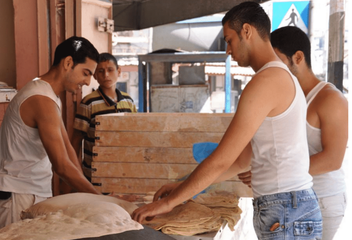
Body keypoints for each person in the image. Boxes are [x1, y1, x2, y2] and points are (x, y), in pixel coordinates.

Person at [131, 2, 322, 239]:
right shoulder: (280, 76)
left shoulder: (266, 82)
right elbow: (241, 160)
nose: (227, 50)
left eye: (229, 40)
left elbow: (222, 159)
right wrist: (183, 188)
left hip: (286, 209)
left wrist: (168, 202)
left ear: (247, 31)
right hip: (288, 208)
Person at [239, 26, 348, 240]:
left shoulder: (331, 99)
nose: (270, 66)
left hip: (323, 199)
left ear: (298, 57)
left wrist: (274, 171)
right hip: (288, 201)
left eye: (277, 59)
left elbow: (333, 159)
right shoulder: (282, 95)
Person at [0, 36, 103, 230]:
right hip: (18, 193)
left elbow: (68, 151)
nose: (87, 81)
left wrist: (89, 195)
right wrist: (101, 200)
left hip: (31, 191)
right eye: (86, 73)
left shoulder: (50, 96)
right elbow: (62, 166)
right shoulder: (41, 99)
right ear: (68, 63)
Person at [71, 52, 137, 179]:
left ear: (118, 71)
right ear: (95, 75)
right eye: (100, 71)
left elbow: (134, 136)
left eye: (110, 70)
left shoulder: (128, 101)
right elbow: (77, 140)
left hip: (123, 171)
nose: (106, 75)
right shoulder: (88, 103)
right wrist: (76, 172)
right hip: (95, 174)